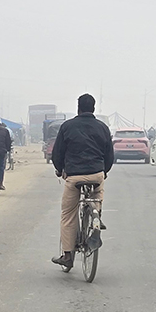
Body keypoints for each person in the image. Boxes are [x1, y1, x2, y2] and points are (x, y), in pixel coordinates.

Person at [51, 93, 114, 271]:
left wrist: (60, 169)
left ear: (78, 107)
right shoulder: (102, 128)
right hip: (96, 174)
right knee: (96, 195)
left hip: (75, 176)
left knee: (68, 214)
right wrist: (104, 171)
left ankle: (68, 255)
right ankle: (96, 216)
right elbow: (110, 155)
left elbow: (58, 153)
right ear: (93, 108)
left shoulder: (67, 126)